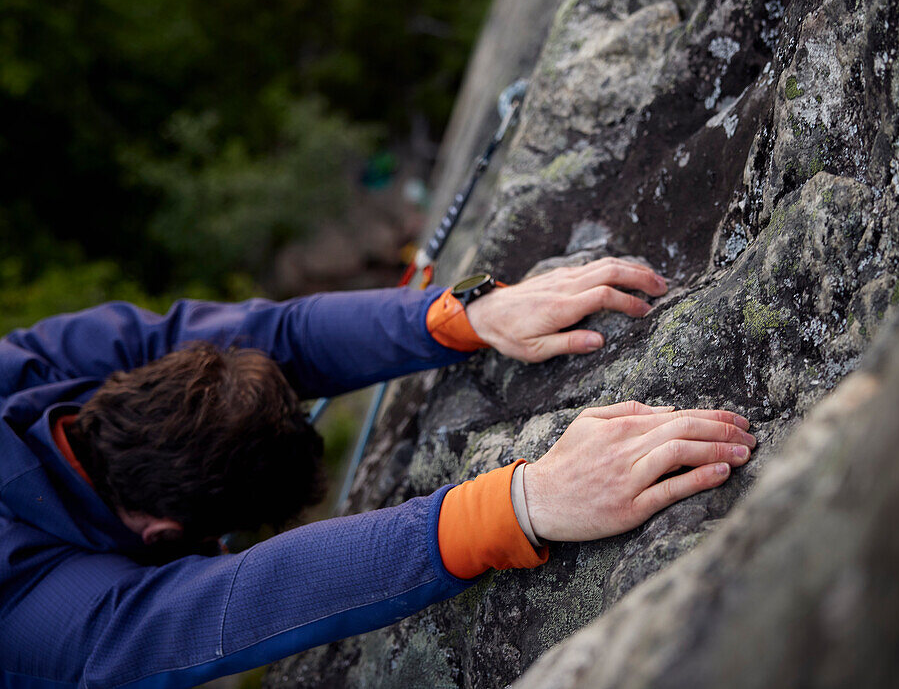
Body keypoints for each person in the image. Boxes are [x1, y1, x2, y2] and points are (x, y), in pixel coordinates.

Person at [0, 257, 755, 688]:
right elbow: (216, 606)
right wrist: (519, 503)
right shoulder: (27, 605)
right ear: (165, 534)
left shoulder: (38, 372)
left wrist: (462, 316)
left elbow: (276, 336)